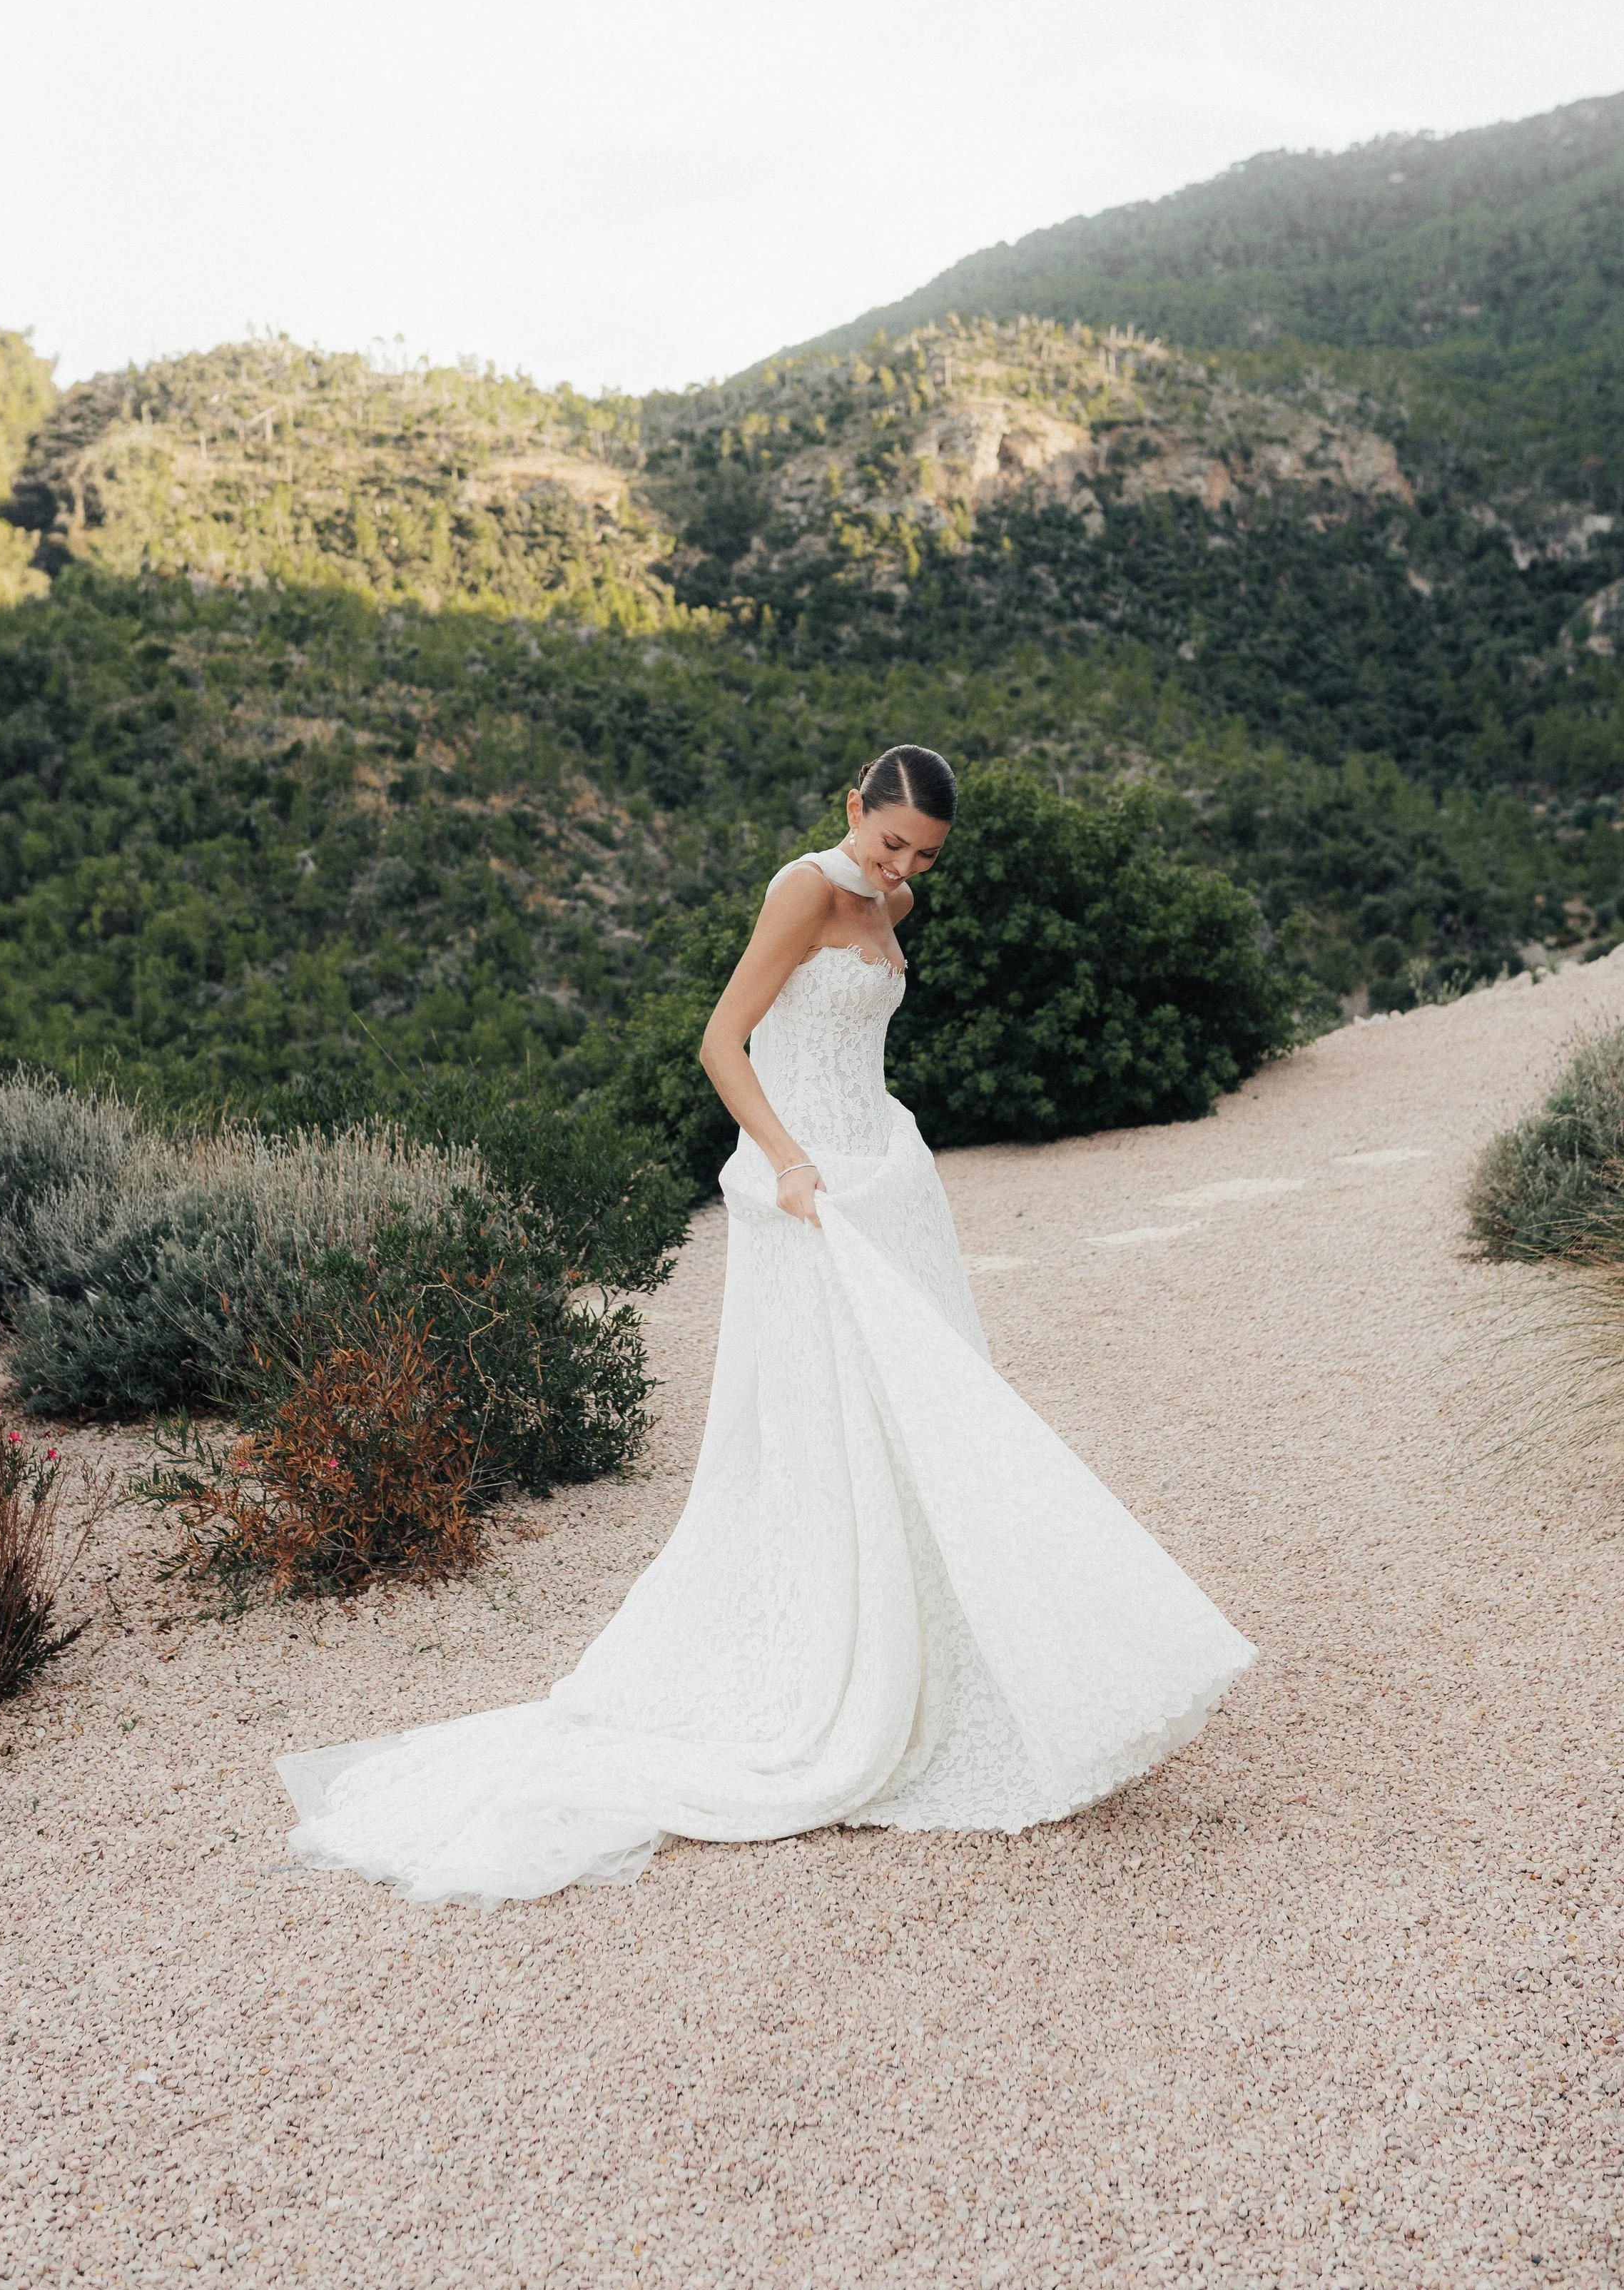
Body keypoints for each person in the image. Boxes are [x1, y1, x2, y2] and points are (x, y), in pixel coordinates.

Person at [278, 745, 1254, 1903]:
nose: (900, 866)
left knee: (918, 1410)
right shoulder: (804, 886)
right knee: (824, 1421)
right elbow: (723, 1041)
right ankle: (830, 1664)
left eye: (924, 854)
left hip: (883, 1184)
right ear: (854, 806)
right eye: (890, 840)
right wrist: (788, 1163)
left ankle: (935, 1651)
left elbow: (851, 1041)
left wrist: (860, 1144)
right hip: (806, 1195)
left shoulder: (895, 900)